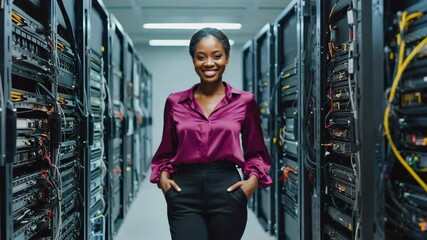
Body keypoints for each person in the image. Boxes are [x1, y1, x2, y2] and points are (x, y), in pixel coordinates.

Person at [150, 27, 272, 240]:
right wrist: (163, 179)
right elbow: (166, 150)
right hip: (183, 191)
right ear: (193, 60)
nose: (208, 63)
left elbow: (256, 151)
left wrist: (251, 182)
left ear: (227, 58)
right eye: (201, 57)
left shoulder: (245, 102)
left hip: (227, 188)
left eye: (216, 56)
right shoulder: (175, 102)